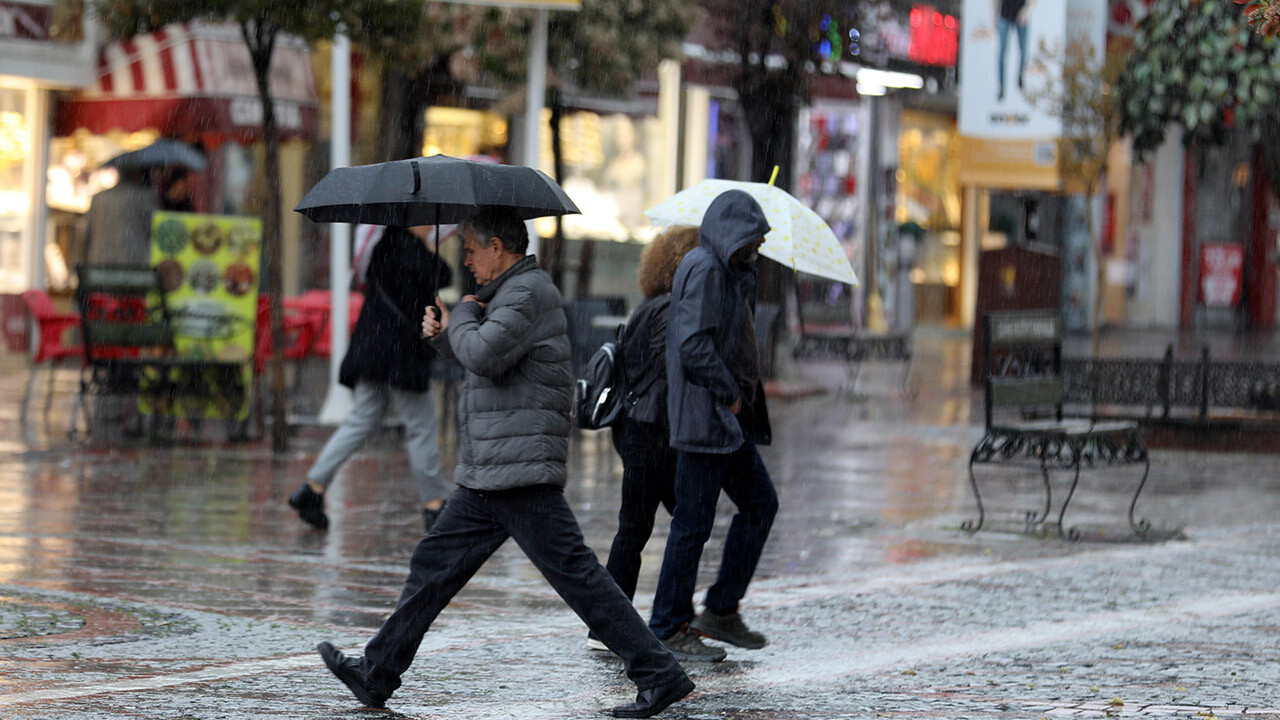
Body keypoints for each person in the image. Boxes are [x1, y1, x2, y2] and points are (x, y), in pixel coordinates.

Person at [316, 207, 694, 719]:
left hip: (518, 466)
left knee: (578, 576)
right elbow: (485, 360)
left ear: (498, 247)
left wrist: (463, 315)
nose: (465, 259)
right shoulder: (505, 295)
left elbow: (488, 354)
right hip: (491, 468)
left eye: (471, 249)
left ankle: (659, 673)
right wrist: (443, 335)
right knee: (434, 565)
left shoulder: (528, 293)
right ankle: (377, 671)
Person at [647, 190, 779, 662]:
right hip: (708, 417)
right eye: (754, 238)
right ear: (733, 234)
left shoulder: (726, 271)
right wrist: (731, 393)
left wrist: (744, 276)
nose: (759, 246)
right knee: (692, 525)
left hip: (724, 422)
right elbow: (694, 345)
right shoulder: (705, 268)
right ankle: (667, 625)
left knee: (760, 504)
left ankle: (721, 608)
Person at [288, 225, 453, 532]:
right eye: (426, 222)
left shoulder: (382, 247)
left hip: (371, 350)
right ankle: (435, 504)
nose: (432, 226)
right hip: (400, 357)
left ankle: (312, 487)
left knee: (361, 419)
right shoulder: (413, 252)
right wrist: (429, 251)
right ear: (412, 221)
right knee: (421, 426)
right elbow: (443, 275)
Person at [586, 226, 700, 652]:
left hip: (637, 429)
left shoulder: (652, 305)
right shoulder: (672, 310)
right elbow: (669, 375)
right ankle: (668, 619)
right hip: (654, 433)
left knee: (635, 529)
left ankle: (611, 623)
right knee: (685, 523)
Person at [83, 168, 158, 266]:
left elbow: (87, 232)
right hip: (133, 261)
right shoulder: (145, 196)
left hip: (99, 261)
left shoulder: (99, 197)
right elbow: (154, 230)